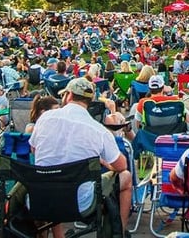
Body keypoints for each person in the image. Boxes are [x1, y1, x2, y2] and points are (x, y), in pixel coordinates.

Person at [29, 77, 133, 233]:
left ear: (68, 95)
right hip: (81, 203)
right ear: (89, 100)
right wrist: (105, 162)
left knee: (51, 171)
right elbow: (122, 165)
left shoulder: (44, 118)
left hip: (40, 198)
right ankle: (120, 232)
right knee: (126, 176)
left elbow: (34, 151)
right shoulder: (98, 129)